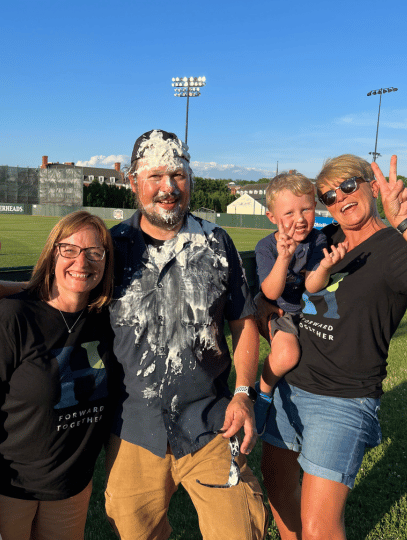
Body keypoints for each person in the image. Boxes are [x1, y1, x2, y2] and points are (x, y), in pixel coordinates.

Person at [104, 129, 268, 540]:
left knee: (239, 532)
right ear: (132, 181)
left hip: (211, 424)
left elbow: (243, 324)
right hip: (133, 431)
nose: (168, 187)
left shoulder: (216, 242)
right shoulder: (110, 248)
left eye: (177, 175)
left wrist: (245, 394)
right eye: (155, 175)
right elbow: (56, 299)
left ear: (190, 179)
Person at [256, 154, 407, 540]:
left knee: (319, 528)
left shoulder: (393, 248)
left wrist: (405, 220)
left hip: (342, 399)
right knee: (280, 491)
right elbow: (269, 294)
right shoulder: (323, 239)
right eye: (329, 195)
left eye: (349, 185)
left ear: (372, 184)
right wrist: (272, 327)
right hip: (289, 386)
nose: (340, 198)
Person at [0, 211, 115, 540]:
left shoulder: (107, 318)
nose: (82, 261)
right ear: (52, 253)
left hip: (72, 488)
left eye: (95, 252)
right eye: (69, 250)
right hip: (11, 487)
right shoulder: (15, 316)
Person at [254, 173, 347, 427]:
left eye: (306, 209)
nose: (299, 219)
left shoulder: (317, 239)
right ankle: (262, 393)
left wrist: (325, 268)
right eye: (288, 213)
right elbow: (271, 293)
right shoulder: (266, 247)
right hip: (280, 311)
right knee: (286, 355)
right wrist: (284, 257)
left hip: (306, 312)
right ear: (272, 218)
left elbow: (311, 285)